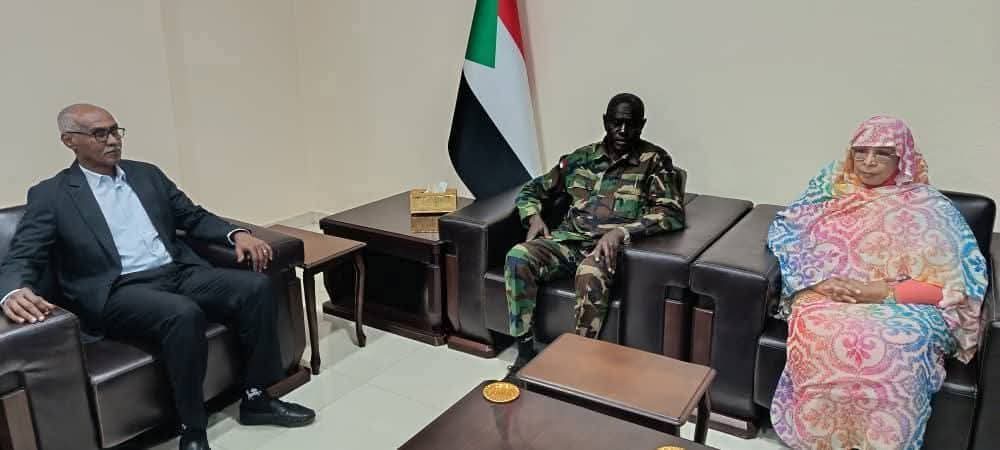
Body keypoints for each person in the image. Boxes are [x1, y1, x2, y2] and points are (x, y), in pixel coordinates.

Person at [0, 104, 315, 450]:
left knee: (256, 287)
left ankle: (257, 398)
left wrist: (236, 234)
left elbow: (192, 216)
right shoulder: (52, 194)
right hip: (118, 289)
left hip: (177, 271)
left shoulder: (146, 174)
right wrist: (13, 290)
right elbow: (24, 253)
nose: (113, 140)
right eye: (100, 134)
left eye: (115, 130)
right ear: (69, 141)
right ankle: (192, 427)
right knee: (182, 313)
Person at [767, 116, 988, 449]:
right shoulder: (828, 192)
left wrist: (883, 291)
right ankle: (822, 440)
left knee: (895, 345)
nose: (868, 162)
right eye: (861, 151)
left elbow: (959, 286)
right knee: (820, 333)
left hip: (906, 306)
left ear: (903, 158)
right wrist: (818, 284)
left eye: (882, 153)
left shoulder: (930, 208)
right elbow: (787, 238)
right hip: (829, 295)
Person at [504, 93, 686, 373]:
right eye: (616, 122)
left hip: (610, 252)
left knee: (588, 273)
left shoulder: (654, 161)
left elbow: (671, 213)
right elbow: (531, 189)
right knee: (518, 256)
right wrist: (533, 217)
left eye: (631, 124)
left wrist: (620, 233)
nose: (623, 130)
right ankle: (525, 352)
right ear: (605, 121)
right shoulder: (580, 159)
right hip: (568, 241)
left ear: (642, 125)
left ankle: (581, 364)